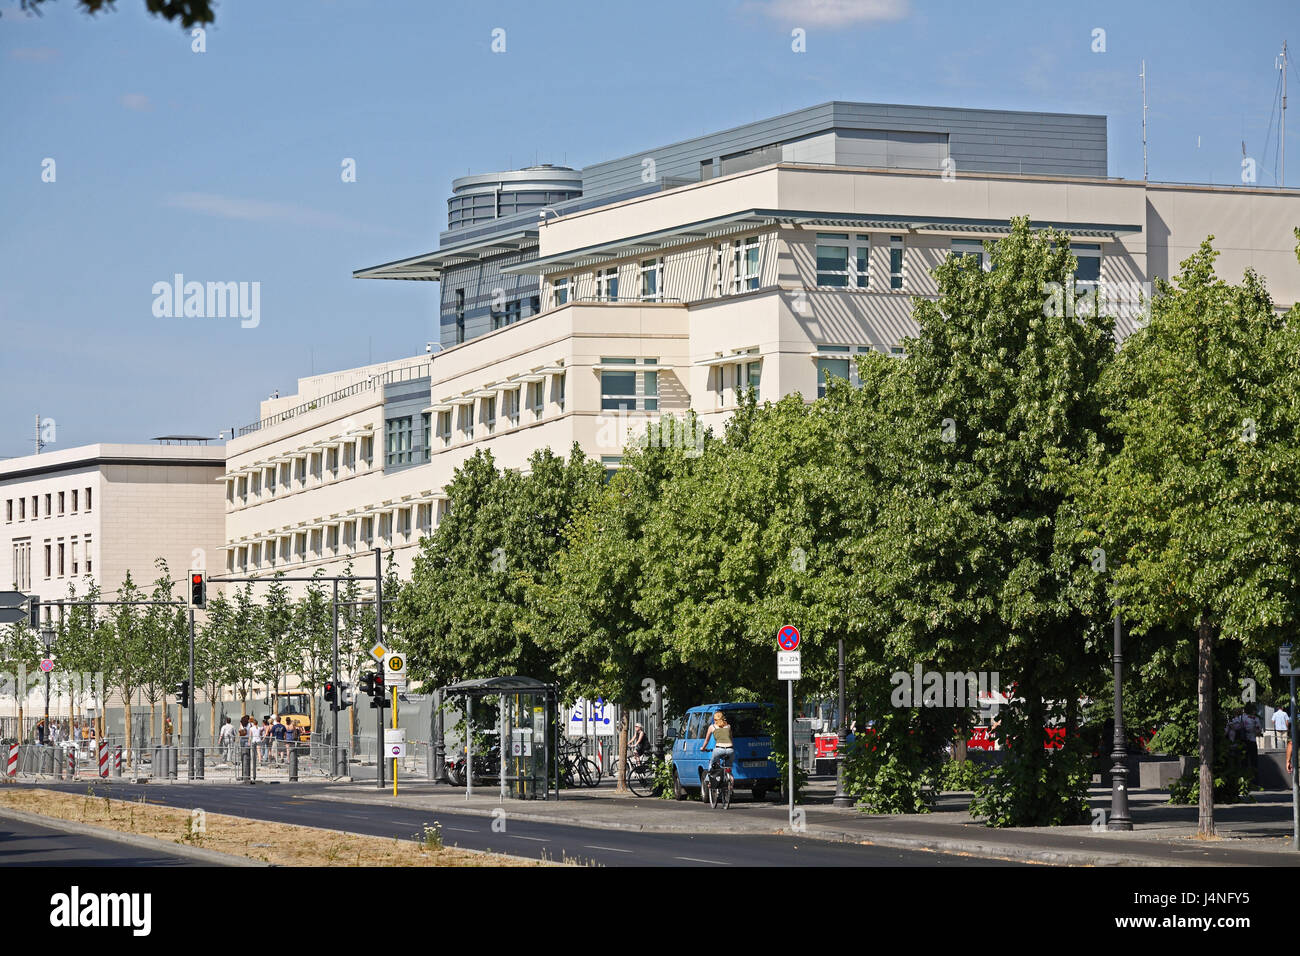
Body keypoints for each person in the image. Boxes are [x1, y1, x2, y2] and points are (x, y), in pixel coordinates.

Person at [700, 710, 734, 780]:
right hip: (730, 750)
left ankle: (709, 781)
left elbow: (707, 740)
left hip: (719, 749)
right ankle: (730, 787)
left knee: (711, 764)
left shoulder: (712, 727)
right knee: (729, 770)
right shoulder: (728, 726)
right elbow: (731, 738)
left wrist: (703, 748)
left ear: (714, 719)